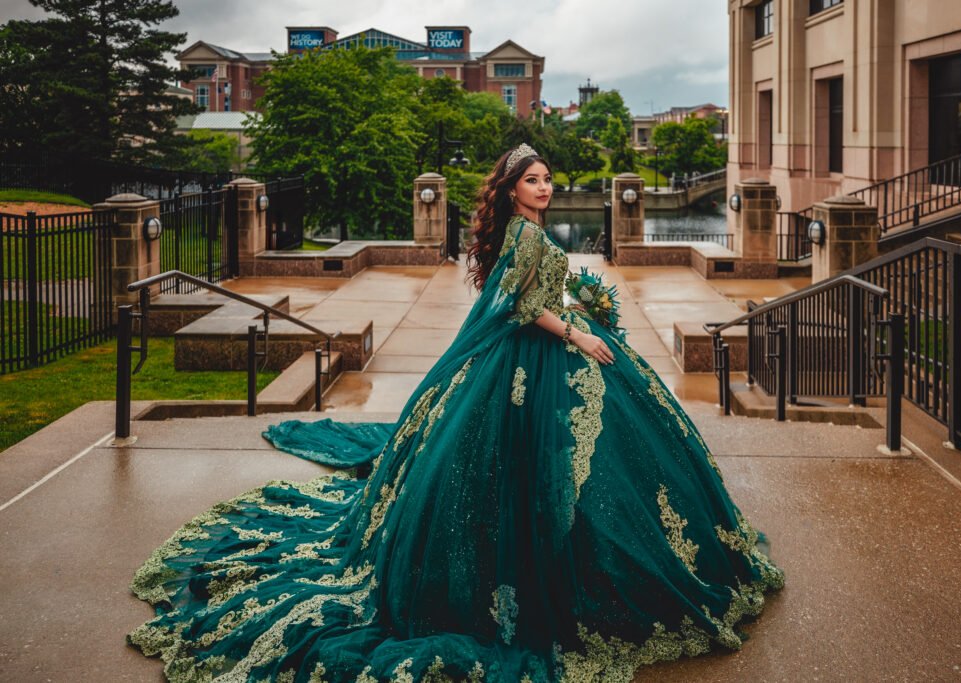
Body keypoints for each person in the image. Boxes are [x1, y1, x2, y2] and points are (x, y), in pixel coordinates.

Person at [128, 144, 783, 682]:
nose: (546, 187)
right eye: (534, 179)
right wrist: (580, 333)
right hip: (538, 354)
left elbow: (526, 296)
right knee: (552, 469)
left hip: (527, 352)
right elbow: (526, 309)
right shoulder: (525, 235)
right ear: (512, 188)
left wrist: (586, 309)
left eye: (549, 178)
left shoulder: (516, 234)